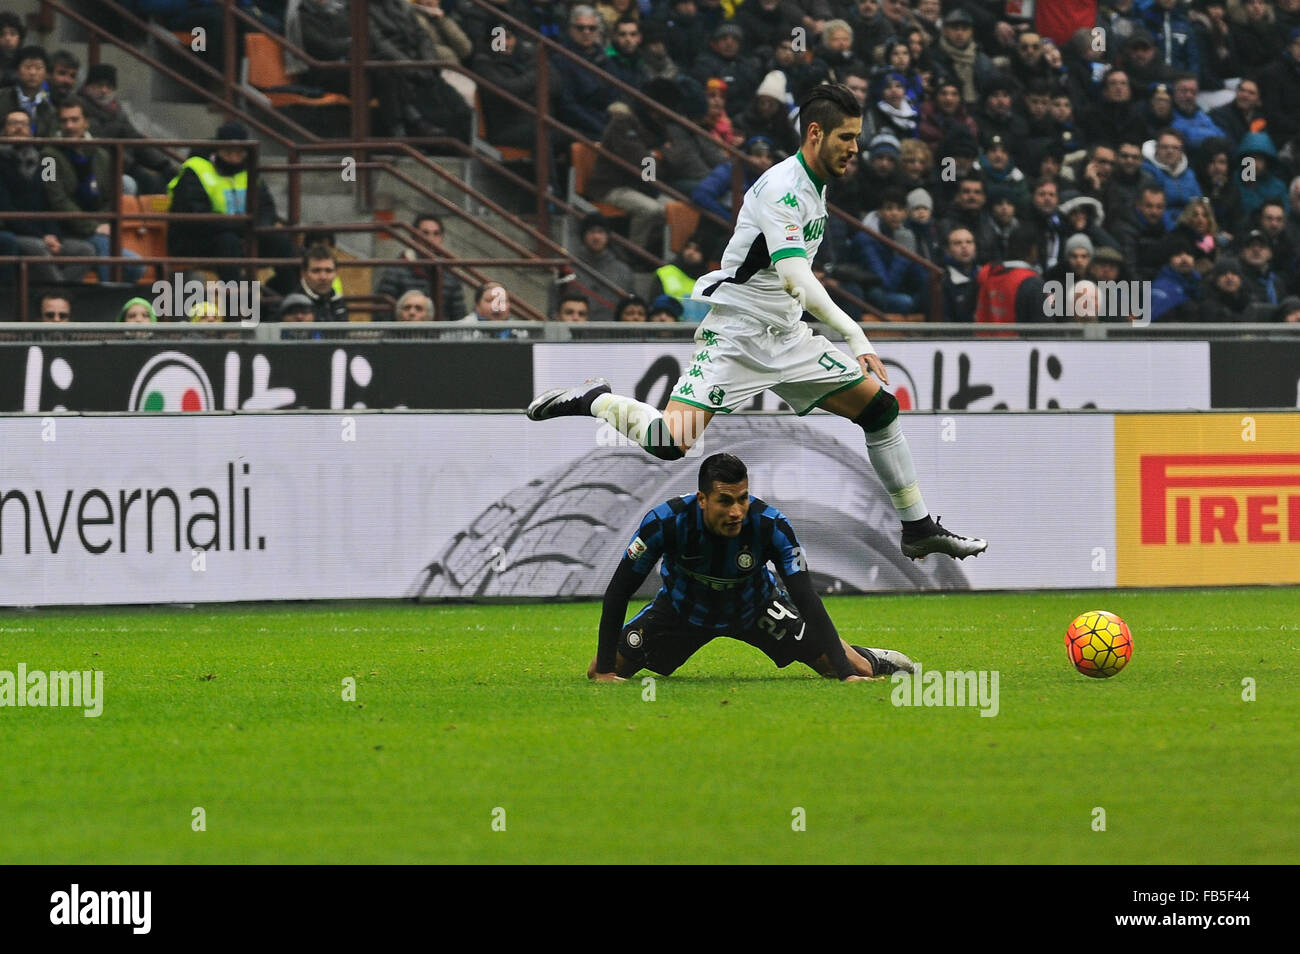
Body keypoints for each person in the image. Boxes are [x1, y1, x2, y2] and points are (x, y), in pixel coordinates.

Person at [528, 84, 987, 562]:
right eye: (847, 137)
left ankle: (916, 528)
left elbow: (792, 281)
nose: (856, 147)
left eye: (857, 137)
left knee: (879, 410)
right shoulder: (782, 188)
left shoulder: (817, 183)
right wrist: (855, 334)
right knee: (670, 443)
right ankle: (596, 400)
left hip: (788, 335)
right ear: (815, 133)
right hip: (738, 334)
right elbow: (794, 275)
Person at [587, 452, 917, 682]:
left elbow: (805, 595)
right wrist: (603, 672)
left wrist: (846, 674)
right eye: (725, 501)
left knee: (856, 669)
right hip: (680, 611)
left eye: (742, 498)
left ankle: (869, 656)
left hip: (756, 608)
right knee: (600, 669)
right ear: (702, 499)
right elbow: (619, 590)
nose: (736, 511)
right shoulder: (664, 522)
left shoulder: (771, 525)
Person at [167, 121, 298, 296]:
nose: (234, 158)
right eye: (229, 152)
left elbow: (266, 207)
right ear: (217, 150)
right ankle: (236, 313)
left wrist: (260, 227)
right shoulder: (196, 170)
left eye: (239, 153)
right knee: (228, 244)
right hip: (199, 241)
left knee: (282, 244)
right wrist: (242, 225)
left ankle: (289, 303)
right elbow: (195, 217)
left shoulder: (250, 171)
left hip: (243, 235)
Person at [373, 213, 466, 321]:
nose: (430, 239)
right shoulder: (396, 270)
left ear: (442, 238)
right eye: (425, 233)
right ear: (414, 236)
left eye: (436, 234)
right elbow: (382, 314)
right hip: (403, 334)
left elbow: (458, 314)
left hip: (442, 335)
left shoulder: (450, 272)